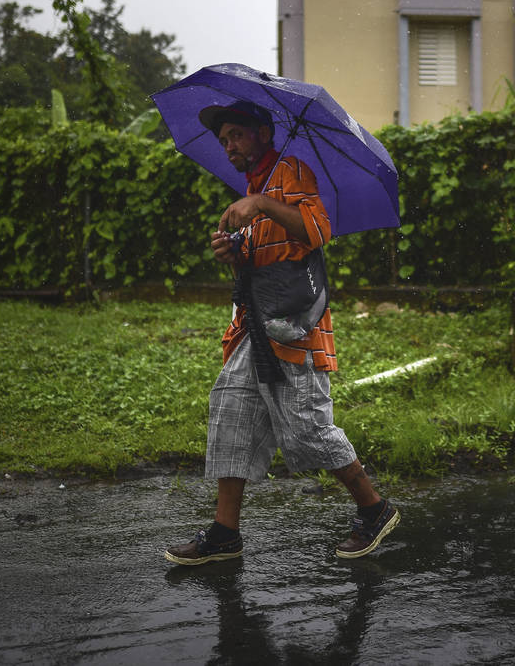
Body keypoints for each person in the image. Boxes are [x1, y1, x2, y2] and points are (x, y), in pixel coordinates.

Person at [164, 100, 400, 565]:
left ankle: (375, 509)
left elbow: (317, 231)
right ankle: (225, 533)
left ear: (262, 134)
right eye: (224, 139)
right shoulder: (255, 187)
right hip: (254, 329)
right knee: (231, 415)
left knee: (308, 428)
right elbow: (266, 260)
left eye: (236, 135)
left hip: (294, 330)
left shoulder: (290, 172)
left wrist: (262, 204)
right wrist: (233, 251)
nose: (228, 146)